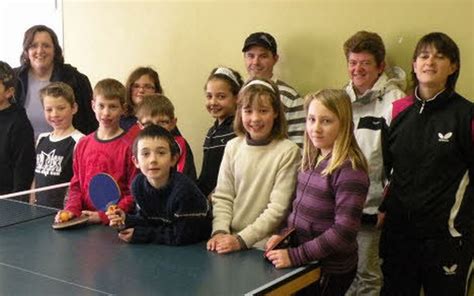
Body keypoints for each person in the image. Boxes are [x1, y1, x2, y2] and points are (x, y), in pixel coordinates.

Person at [380, 32, 474, 296]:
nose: (430, 61)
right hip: (399, 237)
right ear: (414, 64)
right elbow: (388, 169)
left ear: (453, 67)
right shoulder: (397, 111)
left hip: (447, 239)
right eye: (423, 55)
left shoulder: (467, 115)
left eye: (439, 56)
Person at [265, 89, 369, 296]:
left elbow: (343, 231)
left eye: (326, 121)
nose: (316, 128)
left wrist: (295, 256)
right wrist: (281, 235)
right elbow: (296, 210)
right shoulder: (311, 160)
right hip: (307, 262)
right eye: (311, 119)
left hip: (330, 269)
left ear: (344, 124)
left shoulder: (350, 169)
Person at [342, 31, 406, 296]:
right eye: (353, 62)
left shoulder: (397, 103)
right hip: (342, 205)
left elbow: (402, 162)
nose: (357, 69)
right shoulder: (340, 100)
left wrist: (387, 205)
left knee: (368, 277)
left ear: (380, 66)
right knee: (343, 272)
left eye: (365, 63)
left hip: (374, 208)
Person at [207, 78, 300, 254]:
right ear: (239, 113)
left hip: (262, 246)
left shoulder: (288, 151)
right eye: (248, 111)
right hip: (228, 241)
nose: (255, 118)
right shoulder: (233, 146)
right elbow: (223, 196)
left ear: (275, 113)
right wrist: (220, 231)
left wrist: (242, 240)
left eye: (263, 111)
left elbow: (277, 209)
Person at [106, 125, 211, 245]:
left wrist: (141, 235)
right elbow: (149, 220)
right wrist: (126, 219)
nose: (153, 160)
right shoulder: (138, 185)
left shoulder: (184, 190)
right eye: (145, 154)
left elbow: (182, 235)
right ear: (136, 161)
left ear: (173, 159)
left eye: (161, 153)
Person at [55, 78, 136, 224]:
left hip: (114, 225)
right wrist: (71, 210)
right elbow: (76, 186)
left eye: (113, 107)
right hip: (84, 221)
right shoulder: (83, 144)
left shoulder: (130, 146)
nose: (106, 113)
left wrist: (104, 216)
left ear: (123, 109)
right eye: (101, 106)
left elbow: (133, 194)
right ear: (93, 106)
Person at [14, 25, 97, 138]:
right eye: (33, 46)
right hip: (21, 152)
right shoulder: (13, 79)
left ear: (55, 50)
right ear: (26, 51)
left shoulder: (75, 79)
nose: (40, 51)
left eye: (46, 46)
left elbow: (90, 123)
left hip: (67, 151)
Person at [242, 32, 305, 148]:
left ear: (275, 59)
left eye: (263, 56)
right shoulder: (237, 94)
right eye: (250, 56)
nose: (255, 62)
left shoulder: (291, 97)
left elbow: (299, 147)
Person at [31, 82, 84, 209]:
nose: (54, 114)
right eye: (49, 109)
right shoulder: (41, 139)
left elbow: (80, 182)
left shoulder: (80, 141)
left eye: (61, 108)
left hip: (63, 212)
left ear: (74, 108)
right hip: (39, 208)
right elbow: (36, 174)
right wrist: (32, 196)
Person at [197, 66, 243, 197]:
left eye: (221, 97)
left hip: (224, 199)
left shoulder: (238, 130)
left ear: (237, 98)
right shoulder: (212, 131)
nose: (213, 102)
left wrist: (215, 195)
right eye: (209, 96)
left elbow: (237, 174)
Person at [131, 94, 197, 181]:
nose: (155, 128)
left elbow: (184, 179)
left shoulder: (180, 144)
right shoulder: (139, 145)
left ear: (173, 123)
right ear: (140, 125)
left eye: (162, 122)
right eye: (148, 124)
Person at [0, 61, 35, 195]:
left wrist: (16, 204)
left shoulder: (19, 123)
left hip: (7, 201)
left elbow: (23, 171)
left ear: (9, 92)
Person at [121, 66, 164, 130]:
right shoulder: (119, 117)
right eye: (136, 86)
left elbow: (178, 139)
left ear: (156, 91)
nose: (141, 90)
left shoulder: (163, 117)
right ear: (129, 89)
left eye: (148, 87)